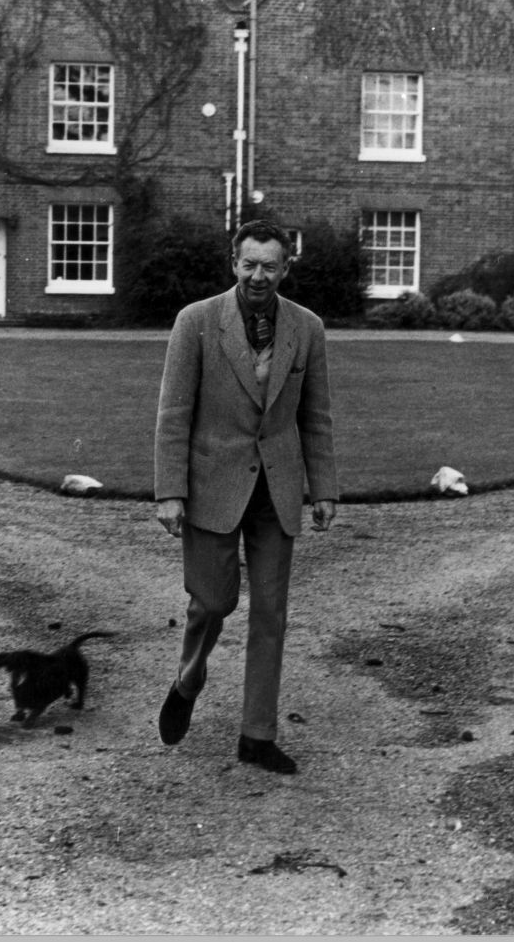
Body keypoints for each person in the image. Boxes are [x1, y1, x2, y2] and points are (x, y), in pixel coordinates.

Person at [154, 218, 338, 774]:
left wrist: (323, 488)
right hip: (213, 483)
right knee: (211, 602)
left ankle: (256, 734)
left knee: (271, 614)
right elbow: (173, 413)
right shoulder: (197, 323)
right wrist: (170, 492)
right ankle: (189, 678)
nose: (259, 276)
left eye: (271, 266)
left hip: (276, 489)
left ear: (286, 269)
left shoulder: (307, 328)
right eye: (249, 264)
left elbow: (317, 415)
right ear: (233, 263)